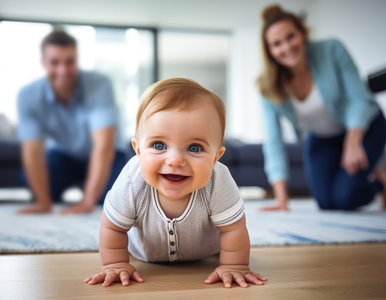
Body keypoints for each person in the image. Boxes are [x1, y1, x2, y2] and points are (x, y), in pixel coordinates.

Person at [85, 78, 267, 288]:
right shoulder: (131, 180)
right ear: (138, 150)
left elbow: (234, 229)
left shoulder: (218, 180)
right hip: (143, 254)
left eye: (195, 148)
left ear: (216, 158)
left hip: (206, 253)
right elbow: (112, 227)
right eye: (159, 145)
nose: (175, 160)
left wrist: (235, 266)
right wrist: (115, 264)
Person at [257, 5, 386, 211]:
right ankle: (375, 177)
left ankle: (380, 183)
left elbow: (359, 97)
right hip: (322, 137)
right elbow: (273, 142)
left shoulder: (332, 50)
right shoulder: (268, 87)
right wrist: (281, 199)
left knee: (344, 199)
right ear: (269, 51)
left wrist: (352, 143)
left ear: (303, 33)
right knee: (326, 203)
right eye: (276, 44)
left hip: (365, 127)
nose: (286, 47)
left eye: (291, 37)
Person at [17, 31, 126, 214]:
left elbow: (103, 147)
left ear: (77, 60)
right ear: (43, 62)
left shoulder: (99, 85)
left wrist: (87, 202)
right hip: (65, 156)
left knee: (111, 200)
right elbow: (33, 152)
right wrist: (44, 203)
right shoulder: (28, 96)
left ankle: (91, 193)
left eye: (69, 62)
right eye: (54, 63)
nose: (63, 70)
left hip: (109, 156)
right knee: (29, 179)